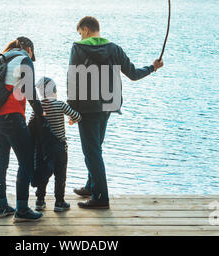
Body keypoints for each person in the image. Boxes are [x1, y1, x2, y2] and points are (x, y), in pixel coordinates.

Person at [67, 16, 164, 209]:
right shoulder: (114, 48)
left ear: (85, 30)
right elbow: (133, 74)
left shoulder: (78, 48)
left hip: (87, 107)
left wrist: (71, 110)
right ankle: (91, 186)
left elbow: (73, 80)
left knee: (92, 151)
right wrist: (153, 67)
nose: (80, 36)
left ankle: (101, 198)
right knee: (96, 148)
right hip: (108, 106)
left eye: (80, 32)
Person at [0, 37, 44, 222]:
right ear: (28, 48)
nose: (31, 57)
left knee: (0, 162)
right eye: (32, 53)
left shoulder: (2, 58)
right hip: (12, 116)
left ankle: (1, 206)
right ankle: (22, 210)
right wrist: (40, 113)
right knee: (26, 161)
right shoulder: (24, 59)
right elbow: (29, 91)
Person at [29, 77, 82, 212]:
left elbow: (31, 124)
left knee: (43, 173)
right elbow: (77, 116)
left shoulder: (38, 108)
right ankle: (59, 202)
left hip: (44, 148)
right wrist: (71, 120)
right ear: (54, 90)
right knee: (60, 175)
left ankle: (40, 201)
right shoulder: (60, 105)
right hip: (60, 146)